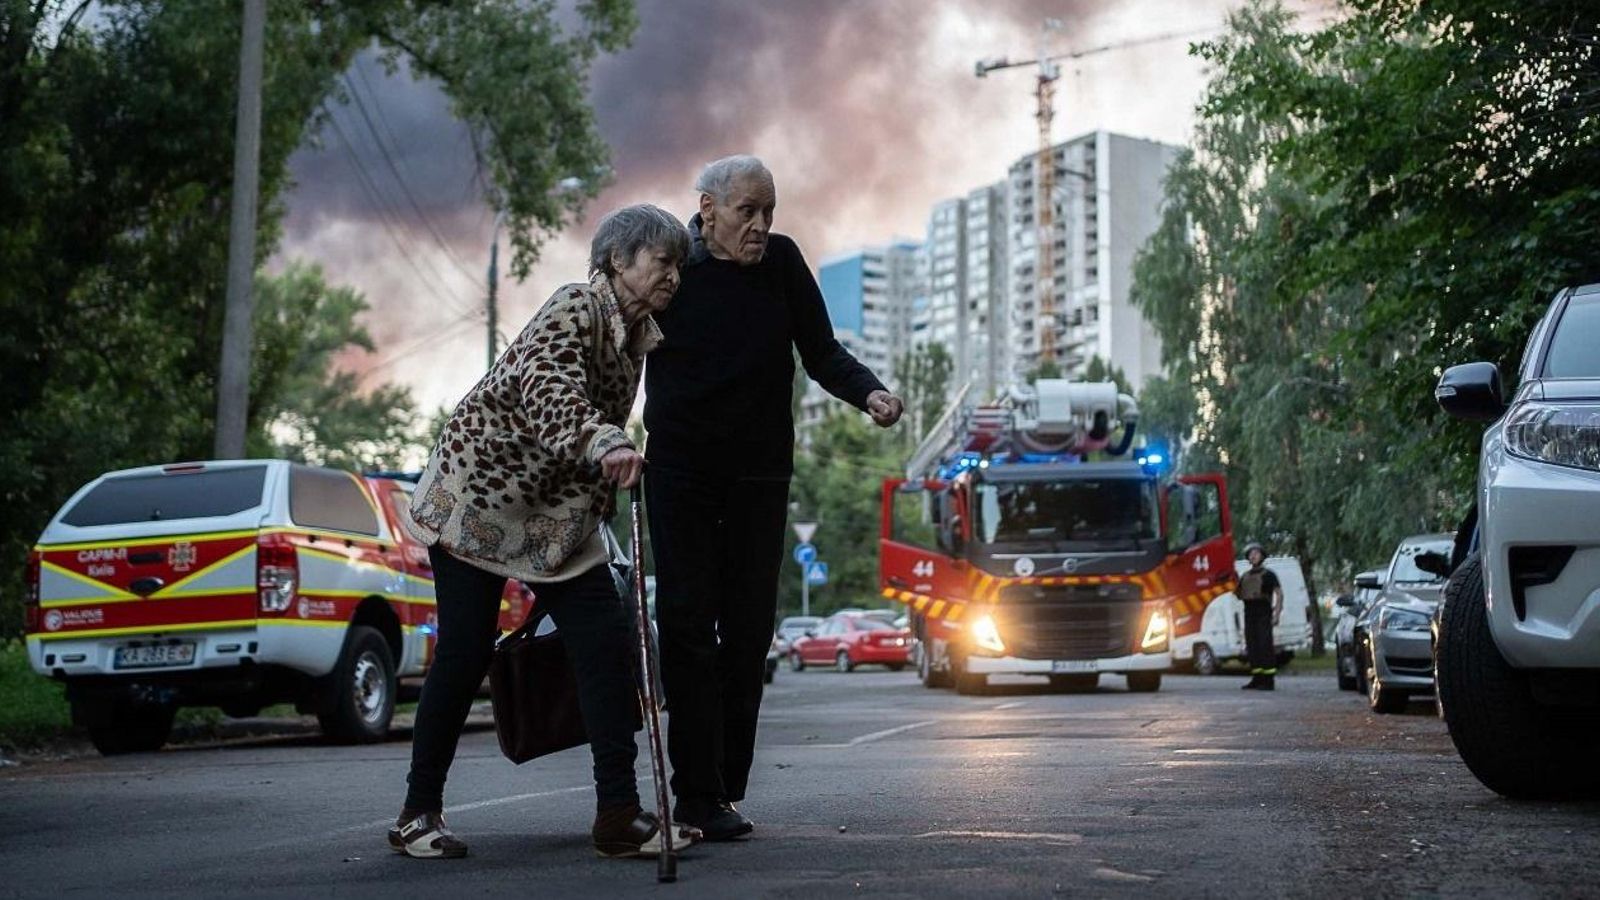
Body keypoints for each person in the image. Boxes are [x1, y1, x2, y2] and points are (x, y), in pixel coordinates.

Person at [390, 204, 699, 860]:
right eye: (661, 261)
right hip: (481, 498)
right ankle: (418, 814)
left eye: (679, 264)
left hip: (554, 517)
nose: (674, 274)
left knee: (606, 642)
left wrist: (605, 468)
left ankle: (618, 813)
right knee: (465, 651)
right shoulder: (576, 307)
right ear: (619, 260)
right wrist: (607, 439)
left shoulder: (635, 336)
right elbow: (550, 390)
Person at [642, 155, 904, 840]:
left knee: (750, 632)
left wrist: (868, 391)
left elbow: (820, 351)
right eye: (746, 212)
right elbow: (620, 345)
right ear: (707, 210)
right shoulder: (673, 269)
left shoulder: (783, 265)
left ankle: (724, 786)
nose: (760, 226)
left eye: (769, 213)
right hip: (681, 476)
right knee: (688, 627)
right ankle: (694, 793)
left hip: (759, 477)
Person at [1237, 542, 1283, 691]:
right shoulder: (1244, 576)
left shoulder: (1269, 575)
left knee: (1265, 646)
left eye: (1256, 553)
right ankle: (1257, 679)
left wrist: (1276, 614)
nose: (1253, 556)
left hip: (1263, 613)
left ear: (1262, 556)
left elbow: (1279, 594)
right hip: (1249, 614)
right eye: (1251, 554)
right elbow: (1238, 594)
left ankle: (1268, 681)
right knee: (1253, 646)